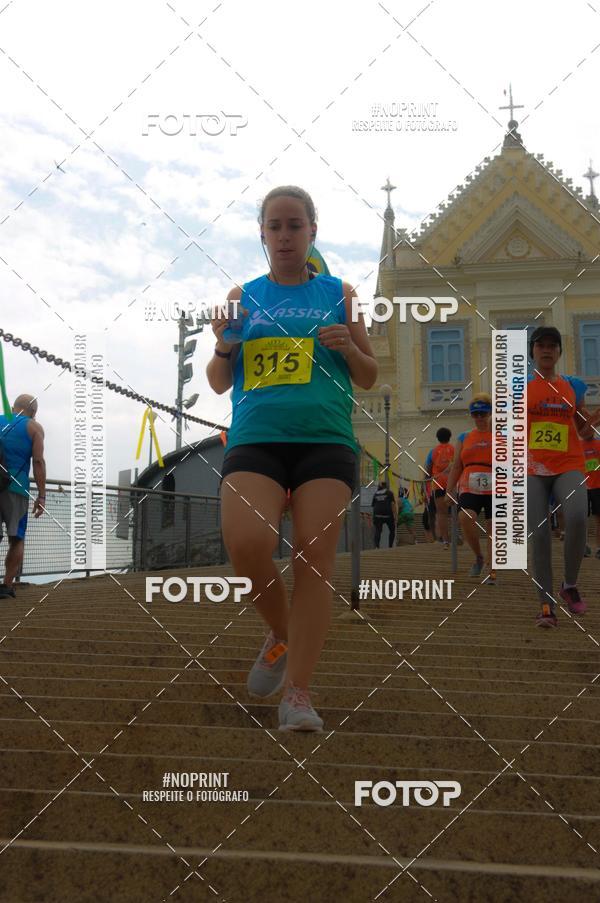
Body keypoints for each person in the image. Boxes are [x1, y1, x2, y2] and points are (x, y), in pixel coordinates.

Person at [206, 185, 377, 731]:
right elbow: (215, 382)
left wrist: (348, 348)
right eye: (274, 226)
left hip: (325, 439)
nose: (284, 235)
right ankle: (281, 634)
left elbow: (371, 375)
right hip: (256, 435)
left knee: (312, 556)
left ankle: (297, 694)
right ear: (262, 234)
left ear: (312, 232)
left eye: (294, 225)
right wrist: (224, 345)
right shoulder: (243, 296)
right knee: (247, 543)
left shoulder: (341, 293)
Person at [526, 327, 600, 627]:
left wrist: (593, 420)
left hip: (569, 463)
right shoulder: (521, 388)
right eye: (541, 345)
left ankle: (569, 585)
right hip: (533, 467)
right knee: (540, 533)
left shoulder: (571, 387)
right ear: (533, 351)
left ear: (559, 352)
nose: (546, 350)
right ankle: (545, 603)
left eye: (552, 346)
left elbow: (582, 430)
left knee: (579, 515)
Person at [0, 395, 46, 598]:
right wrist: (42, 496)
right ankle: (6, 586)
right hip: (16, 489)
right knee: (16, 538)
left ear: (12, 406)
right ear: (34, 412)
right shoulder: (34, 428)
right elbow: (38, 462)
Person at [446, 394, 494, 583]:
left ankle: (492, 568)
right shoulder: (464, 437)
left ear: (490, 413)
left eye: (483, 413)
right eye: (475, 414)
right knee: (465, 518)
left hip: (496, 483)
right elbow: (457, 465)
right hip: (469, 483)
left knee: (494, 527)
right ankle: (479, 556)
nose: (479, 417)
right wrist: (449, 489)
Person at [424, 428, 454, 548]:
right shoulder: (454, 449)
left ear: (437, 438)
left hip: (439, 485)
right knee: (456, 512)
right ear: (450, 437)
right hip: (453, 484)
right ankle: (456, 534)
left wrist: (425, 488)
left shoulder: (433, 452)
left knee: (441, 513)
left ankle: (446, 541)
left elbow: (427, 470)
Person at [581, 418, 600, 558]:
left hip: (598, 487)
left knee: (598, 519)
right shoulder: (577, 446)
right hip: (581, 487)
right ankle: (582, 546)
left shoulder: (599, 444)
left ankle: (599, 548)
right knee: (580, 519)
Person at [372, 480, 396, 548]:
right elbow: (393, 504)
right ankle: (390, 546)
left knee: (378, 530)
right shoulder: (389, 493)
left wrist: (373, 517)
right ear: (386, 486)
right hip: (388, 514)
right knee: (392, 530)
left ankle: (377, 547)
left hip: (377, 514)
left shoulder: (375, 494)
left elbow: (374, 506)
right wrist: (395, 515)